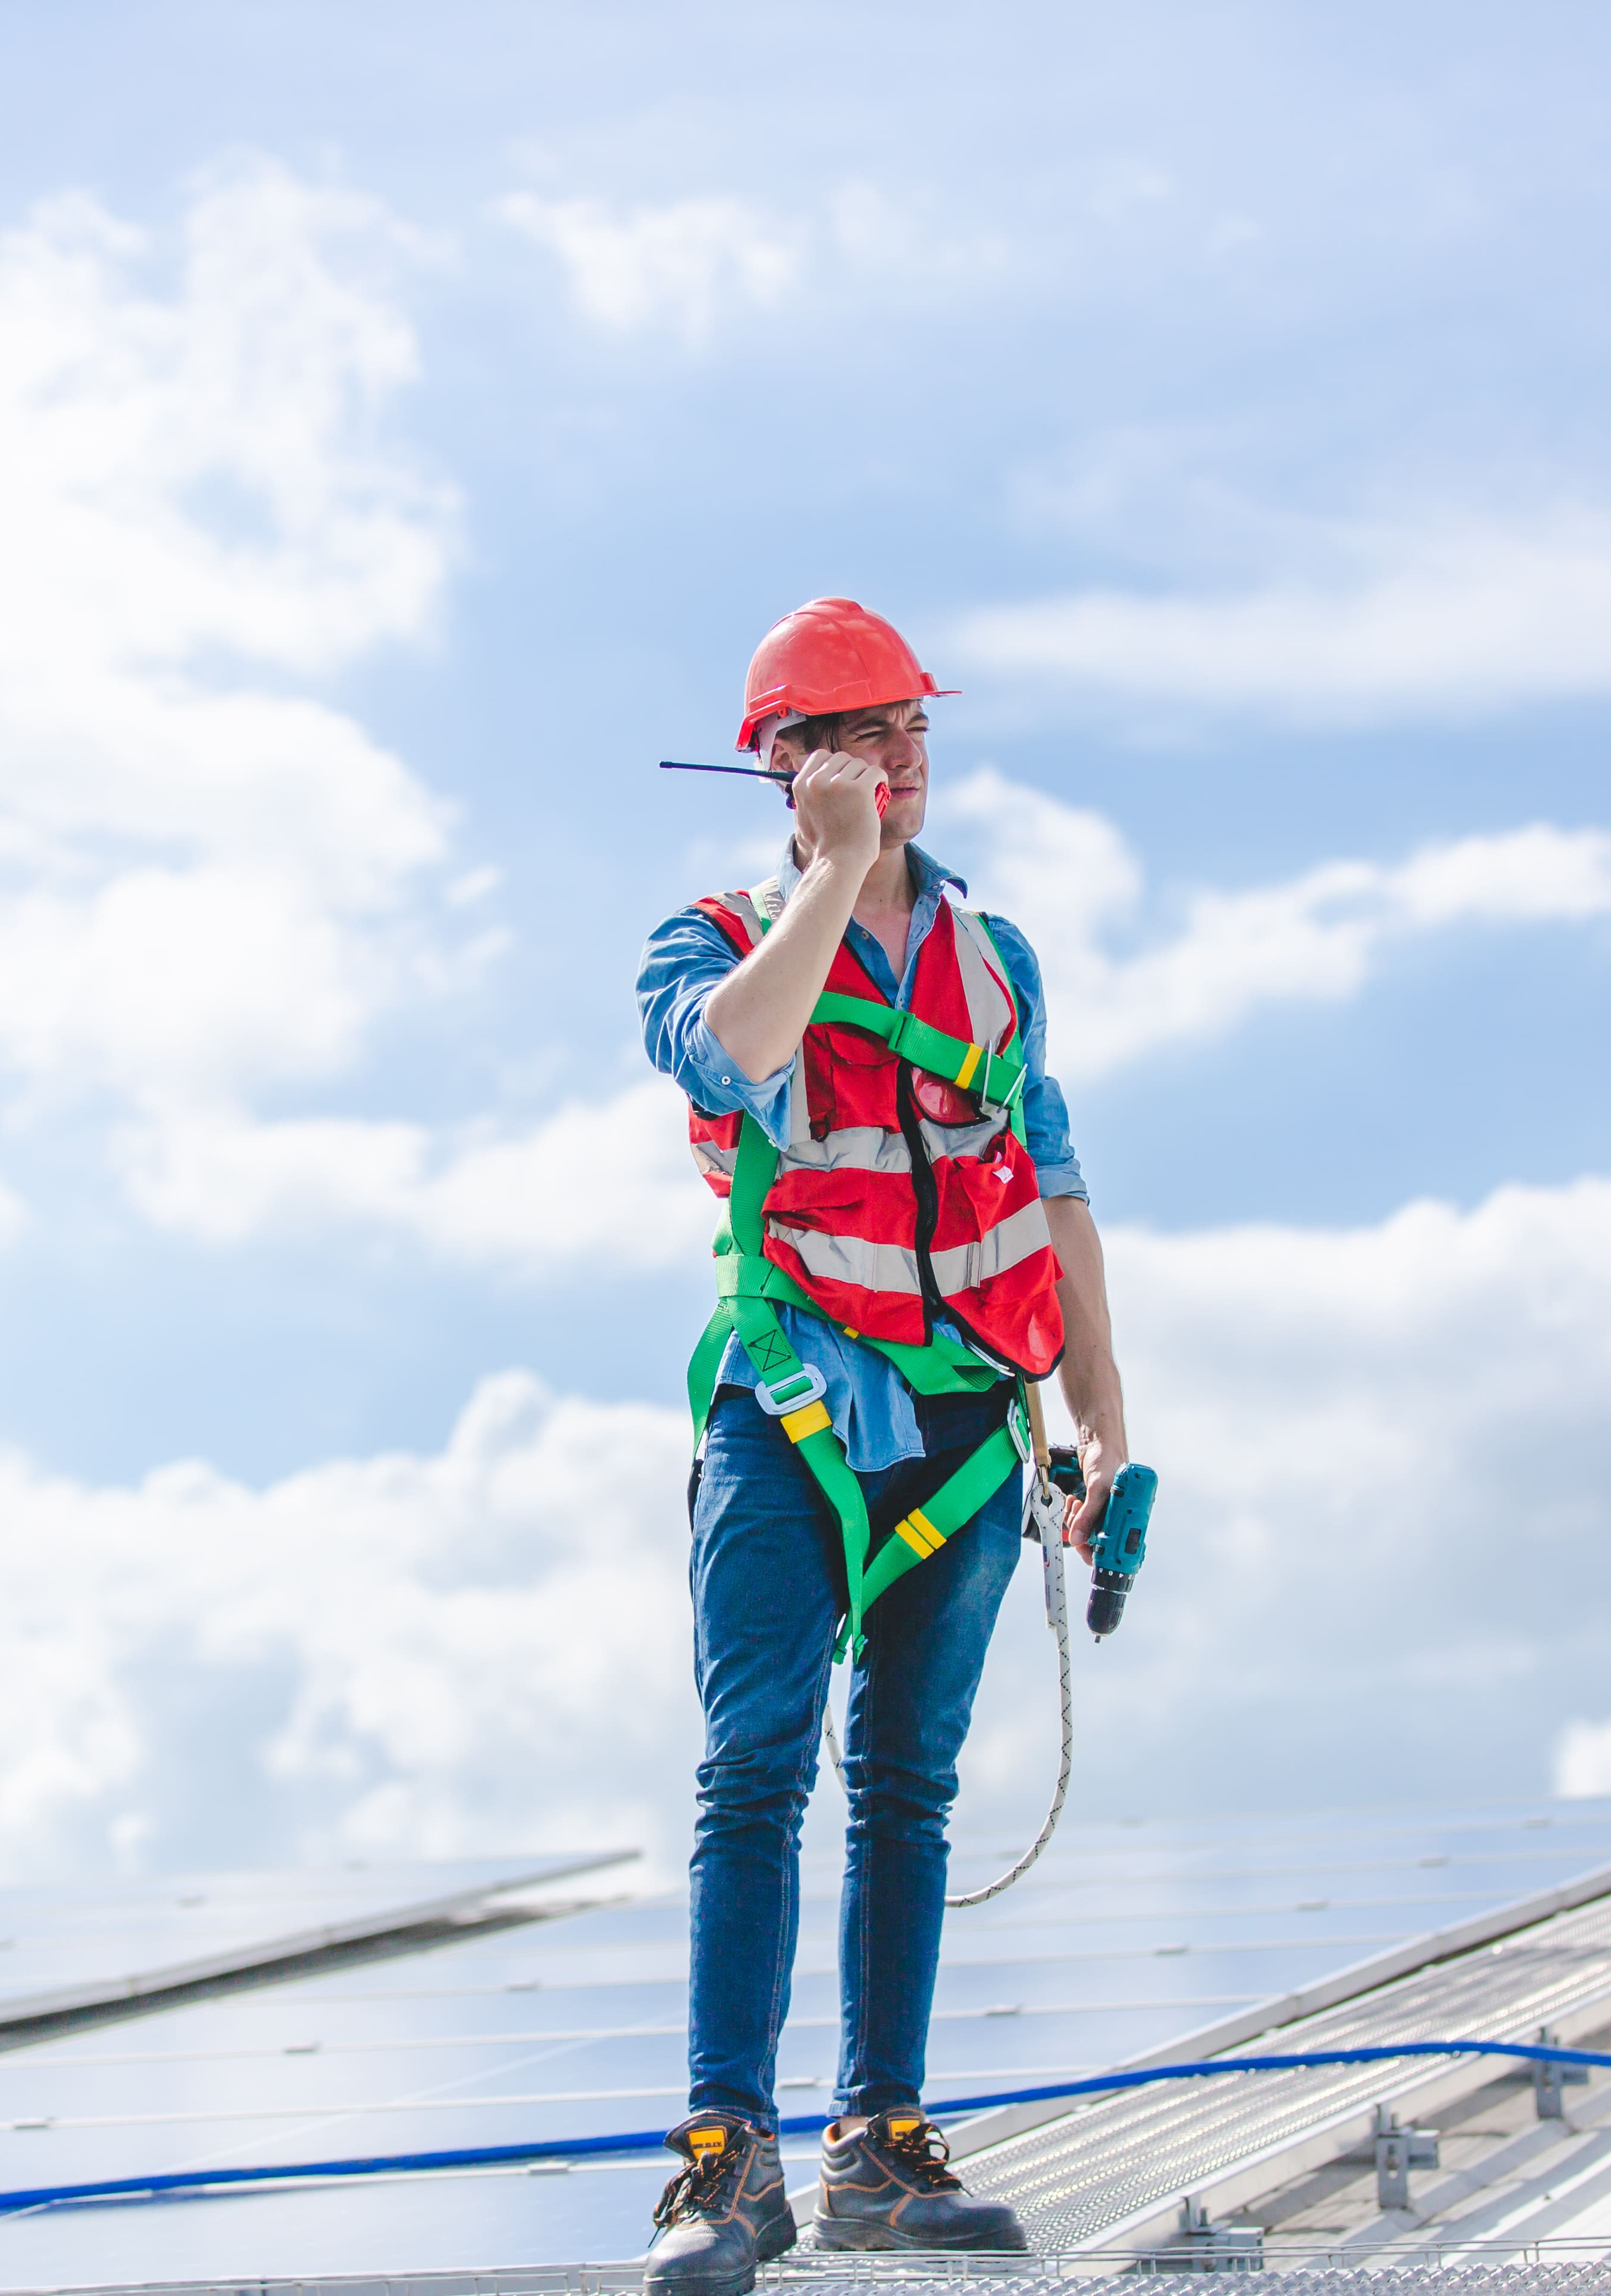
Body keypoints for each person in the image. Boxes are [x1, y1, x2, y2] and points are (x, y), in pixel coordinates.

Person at [632, 598, 1131, 2291]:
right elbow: (736, 1059)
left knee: (907, 1788)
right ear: (787, 764)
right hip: (791, 1418)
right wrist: (833, 875)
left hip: (973, 1435)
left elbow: (1050, 1185)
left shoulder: (1001, 970)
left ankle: (881, 2143)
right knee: (753, 1767)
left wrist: (1100, 1424)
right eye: (862, 735)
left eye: (914, 729)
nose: (902, 761)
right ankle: (721, 2159)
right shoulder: (707, 939)